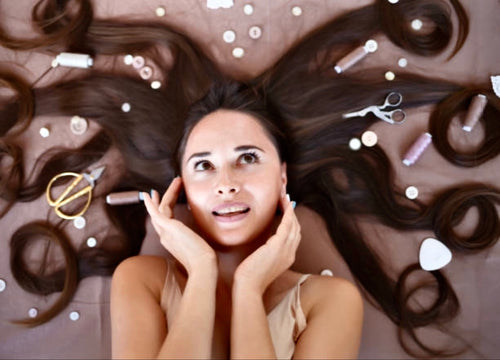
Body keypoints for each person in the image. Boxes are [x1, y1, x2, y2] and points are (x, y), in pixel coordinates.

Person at [110, 82, 364, 359]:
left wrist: (249, 288)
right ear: (183, 187)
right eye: (204, 166)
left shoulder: (331, 302)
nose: (226, 184)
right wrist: (201, 271)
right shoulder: (142, 280)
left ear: (282, 176)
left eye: (247, 158)